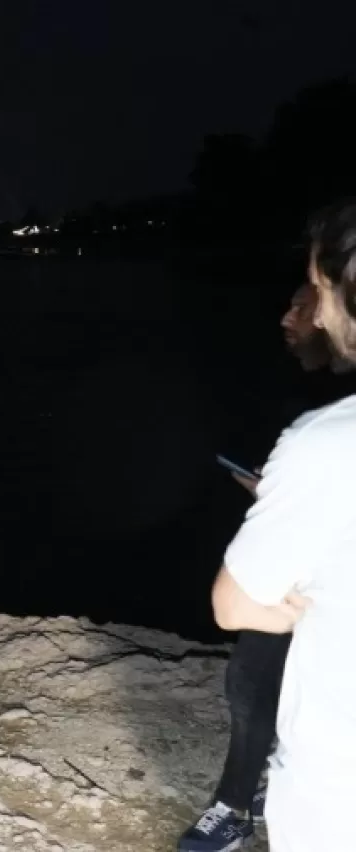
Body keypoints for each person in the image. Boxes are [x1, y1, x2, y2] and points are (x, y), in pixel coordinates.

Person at [177, 281, 356, 852]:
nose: (287, 317)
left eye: (306, 304)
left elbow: (232, 606)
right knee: (262, 679)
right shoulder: (302, 386)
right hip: (303, 553)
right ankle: (249, 793)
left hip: (311, 579)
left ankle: (233, 807)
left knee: (254, 675)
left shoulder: (327, 420)